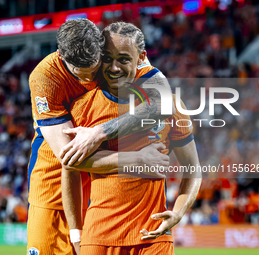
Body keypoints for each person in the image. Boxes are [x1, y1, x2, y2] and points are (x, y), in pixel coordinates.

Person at [27, 19, 173, 255]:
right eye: (79, 74)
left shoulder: (113, 59)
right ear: (61, 56)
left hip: (101, 192)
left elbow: (164, 103)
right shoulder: (45, 77)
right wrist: (137, 159)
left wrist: (99, 132)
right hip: (53, 184)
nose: (88, 80)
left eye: (93, 71)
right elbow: (70, 157)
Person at [62, 22, 202, 255]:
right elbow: (70, 168)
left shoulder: (172, 105)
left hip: (153, 237)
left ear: (141, 58)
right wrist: (75, 232)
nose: (114, 67)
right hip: (98, 238)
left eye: (124, 59)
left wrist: (177, 213)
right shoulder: (83, 108)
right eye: (107, 58)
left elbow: (193, 169)